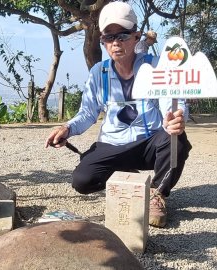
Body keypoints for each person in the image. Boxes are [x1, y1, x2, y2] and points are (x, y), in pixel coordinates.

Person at [45, 2, 192, 228]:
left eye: (123, 35)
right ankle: (129, 177)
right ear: (103, 41)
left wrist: (174, 117)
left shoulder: (156, 67)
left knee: (176, 141)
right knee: (82, 181)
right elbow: (87, 112)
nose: (116, 42)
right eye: (109, 37)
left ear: (136, 36)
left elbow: (171, 100)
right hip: (112, 144)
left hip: (149, 142)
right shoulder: (98, 73)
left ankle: (157, 194)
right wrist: (67, 128)